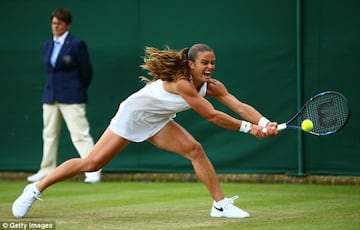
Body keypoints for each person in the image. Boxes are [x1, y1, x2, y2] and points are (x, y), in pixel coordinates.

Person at [13, 43, 279, 219]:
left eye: (213, 62)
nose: (210, 67)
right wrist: (249, 129)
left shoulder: (213, 85)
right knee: (92, 164)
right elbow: (210, 115)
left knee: (195, 150)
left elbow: (240, 106)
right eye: (204, 63)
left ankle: (220, 205)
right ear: (190, 65)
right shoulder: (182, 83)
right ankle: (35, 189)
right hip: (133, 115)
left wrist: (264, 122)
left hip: (158, 120)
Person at [26, 8, 101, 184]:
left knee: (80, 134)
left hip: (72, 96)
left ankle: (93, 171)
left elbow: (86, 72)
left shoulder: (76, 44)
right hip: (50, 96)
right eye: (53, 23)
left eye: (59, 23)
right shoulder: (46, 45)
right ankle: (46, 170)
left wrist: (76, 89)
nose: (55, 26)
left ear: (67, 25)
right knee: (49, 134)